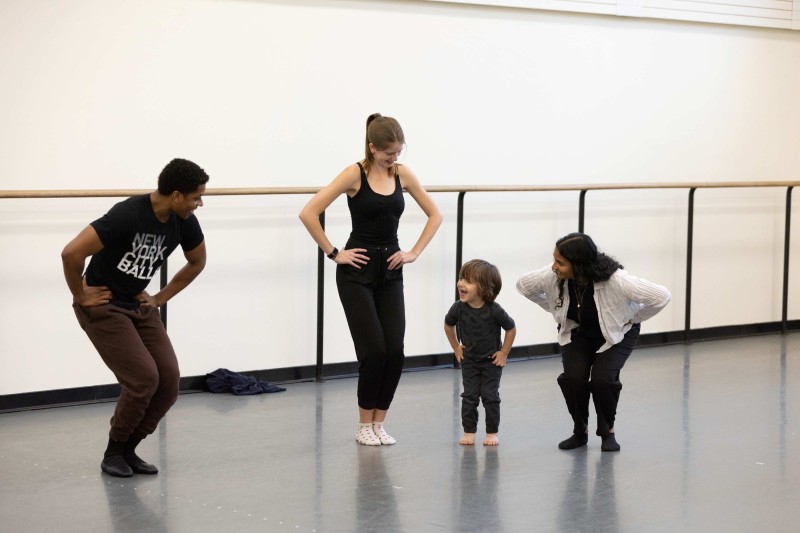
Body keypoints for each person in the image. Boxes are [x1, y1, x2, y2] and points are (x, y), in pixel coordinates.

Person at [299, 113, 442, 446]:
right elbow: (309, 212)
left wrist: (414, 252)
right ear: (372, 146)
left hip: (391, 271)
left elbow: (435, 214)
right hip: (356, 274)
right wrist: (334, 252)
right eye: (389, 153)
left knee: (395, 351)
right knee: (374, 351)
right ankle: (364, 424)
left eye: (399, 152)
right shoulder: (354, 174)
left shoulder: (403, 174)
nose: (394, 158)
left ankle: (380, 422)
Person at [61, 158, 209, 477]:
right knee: (143, 378)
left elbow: (197, 262)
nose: (201, 203)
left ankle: (129, 449)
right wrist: (80, 295)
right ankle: (113, 452)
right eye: (197, 196)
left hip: (138, 306)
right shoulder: (128, 214)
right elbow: (71, 253)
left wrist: (158, 298)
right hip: (104, 306)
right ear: (176, 195)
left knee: (168, 380)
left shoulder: (183, 220)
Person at [516, 232, 671, 452]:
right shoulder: (553, 276)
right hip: (578, 332)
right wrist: (554, 307)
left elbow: (661, 296)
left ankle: (608, 431)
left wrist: (634, 317)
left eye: (560, 262)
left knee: (602, 379)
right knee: (573, 378)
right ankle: (580, 431)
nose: (554, 266)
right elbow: (523, 286)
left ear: (579, 264)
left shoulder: (616, 279)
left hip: (616, 334)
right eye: (554, 259)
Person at [444, 259, 516, 446]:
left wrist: (503, 353)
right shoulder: (458, 308)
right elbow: (448, 324)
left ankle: (492, 432)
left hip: (491, 361)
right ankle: (469, 431)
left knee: (490, 396)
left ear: (484, 287)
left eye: (467, 281)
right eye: (461, 278)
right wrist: (455, 347)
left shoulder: (494, 310)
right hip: (469, 360)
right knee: (469, 397)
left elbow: (511, 329)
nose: (461, 283)